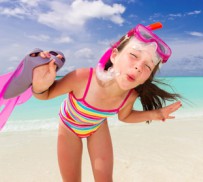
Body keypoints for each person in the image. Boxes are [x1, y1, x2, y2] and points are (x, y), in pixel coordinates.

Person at [31, 23, 182, 181]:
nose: (138, 67)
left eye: (147, 66)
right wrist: (40, 85)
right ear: (114, 55)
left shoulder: (130, 96)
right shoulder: (82, 78)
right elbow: (45, 95)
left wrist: (156, 114)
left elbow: (125, 117)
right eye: (134, 56)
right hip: (69, 127)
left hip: (97, 128)